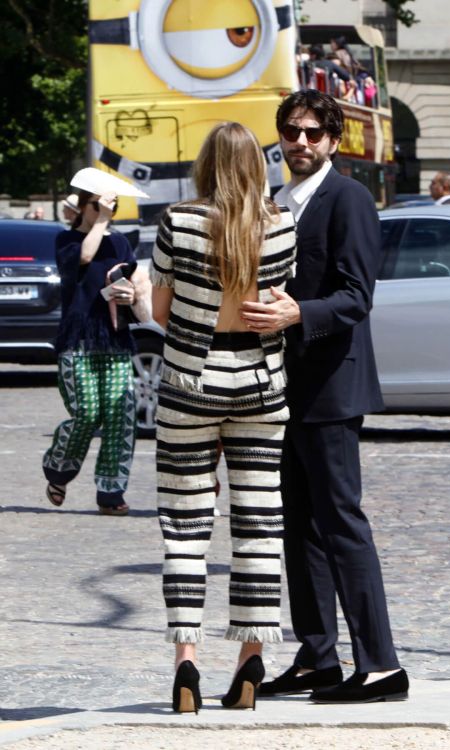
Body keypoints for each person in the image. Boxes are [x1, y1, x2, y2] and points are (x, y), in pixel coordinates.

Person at [240, 90, 409, 704]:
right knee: (298, 529)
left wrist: (296, 313)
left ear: (334, 140)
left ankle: (382, 665)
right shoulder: (274, 203)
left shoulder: (350, 199)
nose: (301, 143)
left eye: (313, 133)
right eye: (292, 131)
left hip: (333, 388)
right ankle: (318, 658)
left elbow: (356, 296)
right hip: (280, 392)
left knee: (342, 525)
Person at [150, 122, 296, 714]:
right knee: (260, 526)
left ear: (207, 164)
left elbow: (160, 312)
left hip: (191, 385)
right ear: (257, 166)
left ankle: (187, 664)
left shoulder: (179, 221)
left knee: (184, 527)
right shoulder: (281, 224)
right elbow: (276, 306)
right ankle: (250, 660)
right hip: (260, 387)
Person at [43, 169, 150, 516]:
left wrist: (130, 294)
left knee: (121, 416)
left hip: (115, 338)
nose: (106, 211)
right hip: (79, 340)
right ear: (82, 207)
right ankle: (59, 467)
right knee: (87, 413)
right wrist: (101, 222)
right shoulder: (66, 241)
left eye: (111, 206)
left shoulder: (119, 243)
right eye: (98, 206)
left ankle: (110, 491)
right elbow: (85, 258)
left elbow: (134, 286)